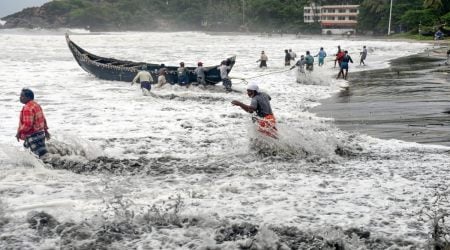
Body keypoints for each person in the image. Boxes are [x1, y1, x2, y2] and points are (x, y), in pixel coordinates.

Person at [16, 88, 50, 158]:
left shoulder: (27, 108)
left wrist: (19, 132)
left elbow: (28, 125)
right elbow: (43, 119)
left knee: (37, 157)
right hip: (40, 134)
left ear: (28, 97)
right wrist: (46, 131)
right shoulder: (36, 105)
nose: (20, 97)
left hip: (33, 136)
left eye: (22, 96)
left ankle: (45, 167)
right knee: (41, 154)